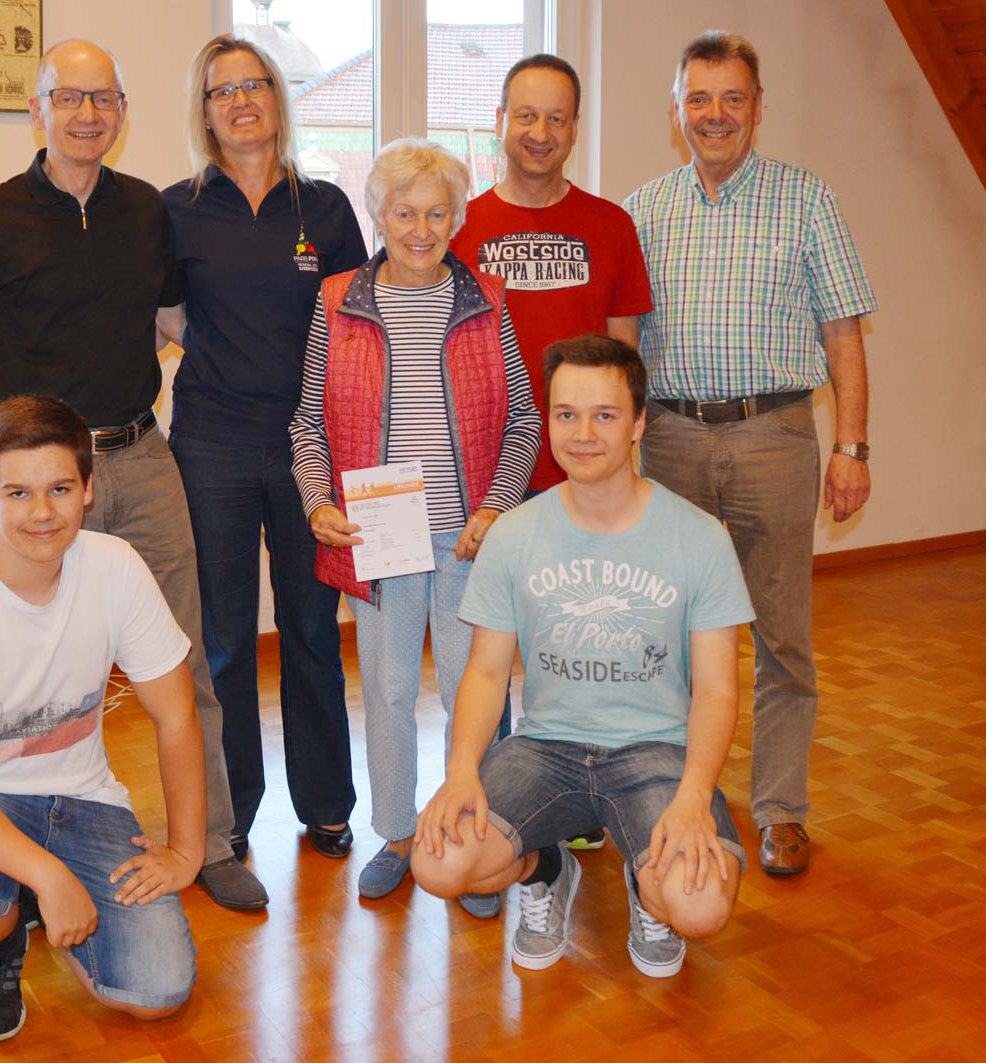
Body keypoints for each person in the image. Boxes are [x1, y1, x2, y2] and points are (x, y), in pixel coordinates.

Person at [0, 38, 264, 910]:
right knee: (21, 676)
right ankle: (10, 856)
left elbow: (170, 319)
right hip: (38, 478)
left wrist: (260, 357)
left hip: (141, 458)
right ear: (37, 109)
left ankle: (211, 841)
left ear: (123, 111)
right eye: (69, 97)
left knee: (183, 661)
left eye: (104, 98)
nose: (88, 114)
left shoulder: (147, 211)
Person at [412, 335, 754, 977]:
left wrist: (693, 795)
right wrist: (461, 771)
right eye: (566, 414)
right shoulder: (514, 534)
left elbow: (716, 690)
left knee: (700, 904)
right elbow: (485, 672)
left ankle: (647, 886)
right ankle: (546, 868)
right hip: (546, 749)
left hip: (657, 751)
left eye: (605, 415)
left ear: (639, 423)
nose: (584, 434)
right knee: (438, 865)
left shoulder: (699, 538)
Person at [623, 31, 877, 876]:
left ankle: (779, 809)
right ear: (676, 110)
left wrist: (851, 446)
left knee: (781, 638)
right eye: (699, 98)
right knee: (668, 633)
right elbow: (627, 341)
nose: (715, 114)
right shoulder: (644, 209)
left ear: (758, 108)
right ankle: (675, 798)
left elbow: (843, 336)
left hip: (775, 437)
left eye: (732, 98)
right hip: (670, 439)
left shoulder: (807, 200)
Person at [0, 396, 202, 1042]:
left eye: (59, 488)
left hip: (80, 801)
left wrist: (186, 851)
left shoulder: (115, 568)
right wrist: (49, 874)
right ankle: (0, 940)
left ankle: (24, 891)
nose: (42, 513)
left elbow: (177, 714)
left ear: (88, 488)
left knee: (158, 990)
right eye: (18, 493)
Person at [290, 138, 541, 918]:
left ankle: (477, 840)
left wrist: (495, 506)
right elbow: (308, 424)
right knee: (391, 690)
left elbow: (524, 420)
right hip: (381, 535)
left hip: (468, 538)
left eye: (437, 214)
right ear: (379, 214)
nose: (421, 230)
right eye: (405, 213)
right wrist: (317, 501)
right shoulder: (337, 300)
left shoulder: (488, 299)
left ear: (457, 218)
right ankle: (398, 835)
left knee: (477, 694)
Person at [159, 36, 367, 865]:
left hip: (307, 448)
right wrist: (219, 352)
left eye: (255, 85)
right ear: (205, 112)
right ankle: (229, 812)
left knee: (312, 627)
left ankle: (326, 803)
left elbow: (356, 327)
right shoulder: (177, 209)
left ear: (279, 98)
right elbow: (165, 314)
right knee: (223, 640)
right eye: (223, 91)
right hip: (210, 444)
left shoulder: (327, 209)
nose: (241, 101)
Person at [451, 52, 654, 851]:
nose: (541, 132)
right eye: (526, 115)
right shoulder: (459, 224)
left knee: (579, 642)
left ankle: (583, 799)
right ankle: (498, 805)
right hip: (491, 480)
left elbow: (625, 355)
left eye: (557, 118)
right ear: (500, 121)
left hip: (587, 476)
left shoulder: (611, 225)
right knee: (491, 651)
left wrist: (623, 467)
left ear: (575, 128)